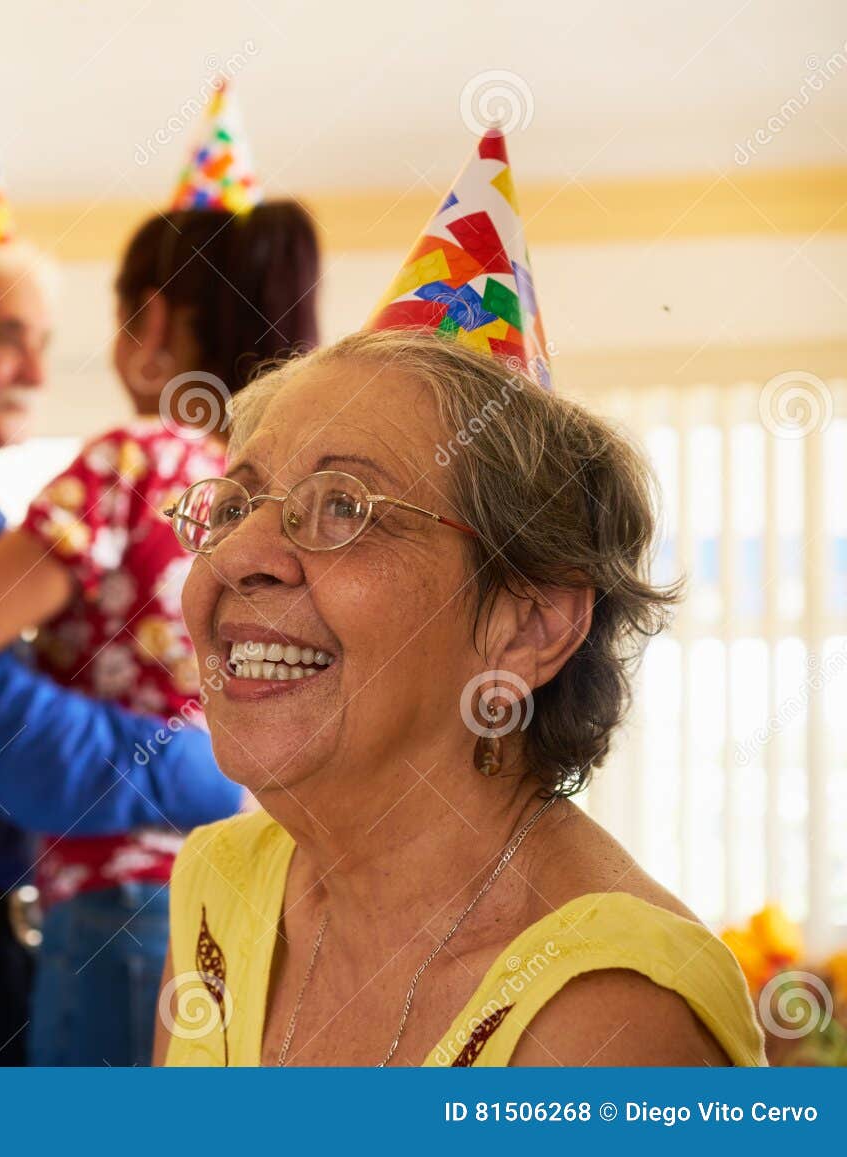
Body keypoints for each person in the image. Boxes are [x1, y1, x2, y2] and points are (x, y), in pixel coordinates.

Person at [155, 328, 764, 1066]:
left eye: (344, 507)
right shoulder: (220, 880)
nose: (237, 554)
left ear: (527, 628)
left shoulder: (610, 1018)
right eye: (234, 506)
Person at [0, 185, 322, 1065]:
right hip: (257, 900)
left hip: (120, 907)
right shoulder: (288, 496)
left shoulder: (137, 461)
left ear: (150, 325)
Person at [0, 194, 245, 1066]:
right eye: (7, 334)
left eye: (46, 339)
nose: (39, 370)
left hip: (49, 913)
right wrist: (208, 776)